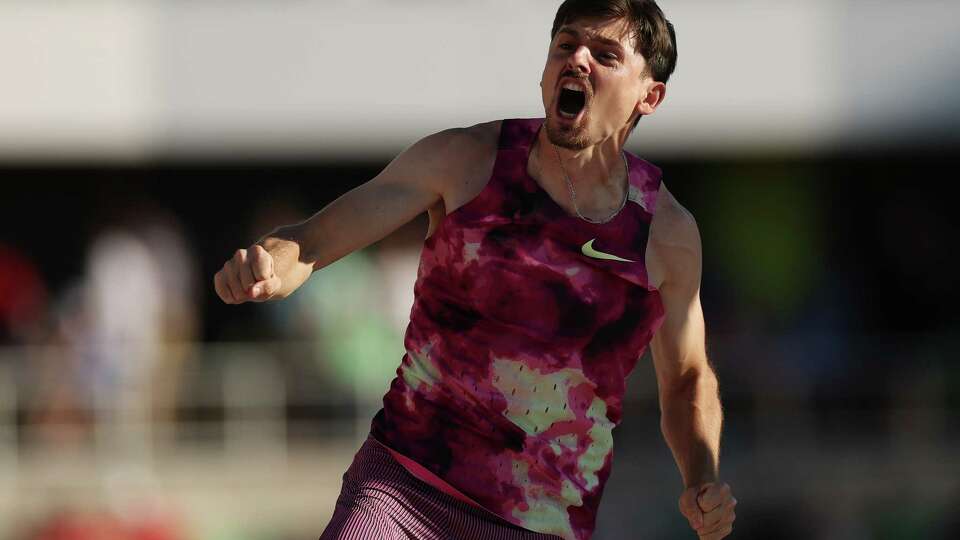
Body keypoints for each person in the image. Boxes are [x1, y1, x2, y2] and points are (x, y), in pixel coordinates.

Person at [214, 1, 736, 538]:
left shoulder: (666, 236)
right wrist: (271, 266)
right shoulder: (465, 161)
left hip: (541, 522)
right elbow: (314, 240)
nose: (577, 59)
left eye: (605, 54)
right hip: (401, 491)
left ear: (650, 96)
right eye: (565, 44)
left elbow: (687, 378)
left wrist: (702, 476)